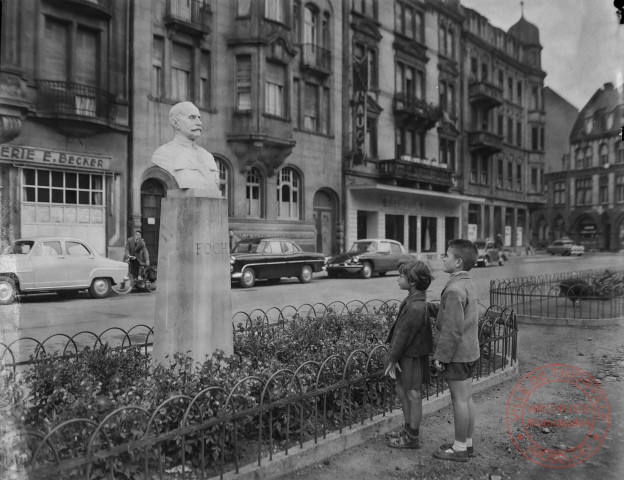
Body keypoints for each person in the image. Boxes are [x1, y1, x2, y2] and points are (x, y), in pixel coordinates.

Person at [430, 239, 480, 462]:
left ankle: (459, 449)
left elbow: (451, 329)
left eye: (446, 255)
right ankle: (467, 444)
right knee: (467, 398)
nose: (443, 257)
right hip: (471, 352)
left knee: (459, 400)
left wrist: (441, 356)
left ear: (458, 262)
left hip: (457, 356)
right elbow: (459, 315)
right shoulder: (467, 283)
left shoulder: (453, 289)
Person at [384, 260, 434, 449]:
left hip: (410, 356)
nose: (398, 279)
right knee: (402, 390)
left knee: (413, 394)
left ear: (412, 282)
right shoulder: (414, 300)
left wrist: (392, 358)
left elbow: (402, 335)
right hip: (407, 355)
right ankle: (407, 429)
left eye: (401, 276)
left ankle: (412, 437)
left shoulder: (415, 306)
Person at [150, 101, 221, 194]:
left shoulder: (207, 156)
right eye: (192, 117)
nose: (199, 123)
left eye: (199, 118)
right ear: (175, 123)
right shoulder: (163, 154)